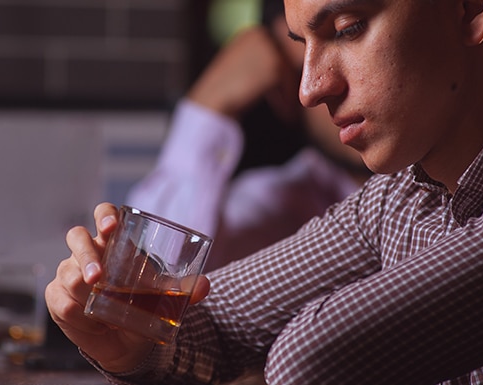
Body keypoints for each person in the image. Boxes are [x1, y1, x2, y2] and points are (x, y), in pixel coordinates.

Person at [47, 0, 483, 383]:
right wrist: (128, 342)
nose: (309, 89)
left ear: (473, 6)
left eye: (346, 28)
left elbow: (314, 363)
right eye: (301, 47)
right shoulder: (403, 194)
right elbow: (205, 326)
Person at [126, 0, 369, 271]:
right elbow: (155, 271)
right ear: (285, 98)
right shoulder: (278, 205)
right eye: (299, 71)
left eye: (350, 31)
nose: (315, 89)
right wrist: (210, 105)